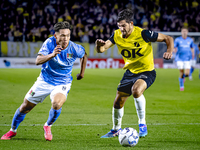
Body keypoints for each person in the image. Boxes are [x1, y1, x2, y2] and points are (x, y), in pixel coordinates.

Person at [1, 21, 87, 141]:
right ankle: (12, 130)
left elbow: (84, 55)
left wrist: (82, 73)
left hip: (63, 82)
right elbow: (38, 60)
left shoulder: (74, 48)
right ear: (55, 35)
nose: (65, 38)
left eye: (68, 35)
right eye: (62, 35)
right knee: (25, 107)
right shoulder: (49, 43)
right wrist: (52, 55)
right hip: (44, 80)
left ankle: (47, 125)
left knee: (57, 104)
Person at [95, 9, 174, 138]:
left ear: (131, 23)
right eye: (119, 26)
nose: (121, 29)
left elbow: (168, 38)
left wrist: (169, 51)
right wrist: (98, 45)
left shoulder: (143, 33)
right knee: (118, 102)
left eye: (124, 25)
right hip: (130, 72)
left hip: (147, 71)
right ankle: (116, 130)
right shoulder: (116, 35)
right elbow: (102, 49)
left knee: (136, 90)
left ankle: (142, 124)